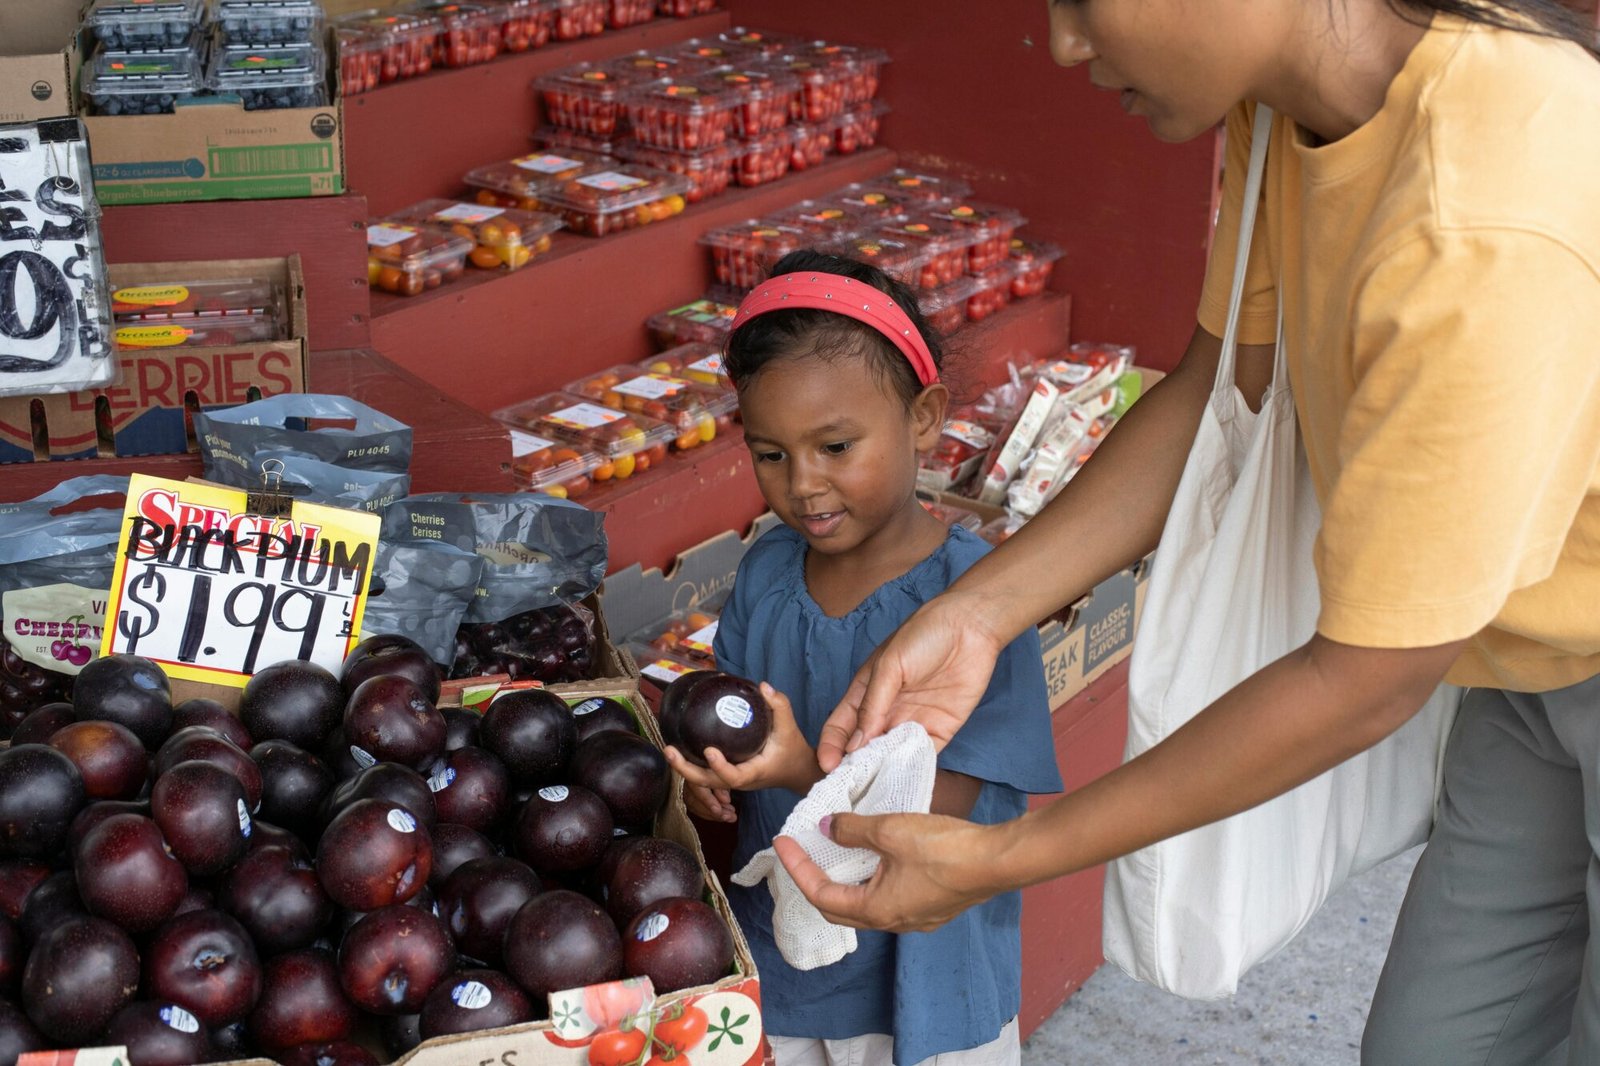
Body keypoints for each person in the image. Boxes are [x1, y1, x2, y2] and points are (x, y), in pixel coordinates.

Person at [769, 0, 1600, 1062]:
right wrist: (975, 614)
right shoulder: (1292, 109)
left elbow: (1368, 674)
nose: (1066, 44)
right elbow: (1219, 387)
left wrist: (1008, 852)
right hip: (1531, 673)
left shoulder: (1477, 219)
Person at [661, 249, 1063, 1065]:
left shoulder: (977, 604)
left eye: (836, 446)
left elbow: (940, 814)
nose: (802, 484)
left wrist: (798, 771)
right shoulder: (769, 568)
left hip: (923, 967)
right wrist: (705, 774)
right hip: (786, 948)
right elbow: (736, 709)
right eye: (770, 454)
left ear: (923, 417)